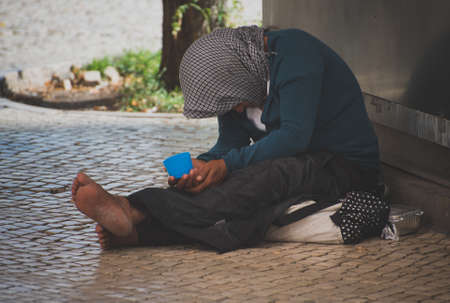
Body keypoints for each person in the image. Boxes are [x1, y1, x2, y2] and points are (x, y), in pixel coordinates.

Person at [71, 26, 389, 252]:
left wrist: (225, 165)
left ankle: (135, 210)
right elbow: (230, 147)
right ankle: (142, 232)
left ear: (239, 73)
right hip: (297, 165)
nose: (235, 108)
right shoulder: (235, 85)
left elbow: (294, 138)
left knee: (267, 176)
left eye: (232, 100)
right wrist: (203, 167)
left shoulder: (296, 54)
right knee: (246, 199)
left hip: (346, 168)